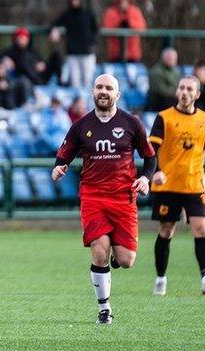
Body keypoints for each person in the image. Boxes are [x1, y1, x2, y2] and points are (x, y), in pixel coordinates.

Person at [52, 74, 155, 325]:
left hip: (123, 197)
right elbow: (64, 154)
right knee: (99, 251)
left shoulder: (132, 123)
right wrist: (59, 167)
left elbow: (150, 157)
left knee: (126, 261)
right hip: (93, 196)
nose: (104, 91)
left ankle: (115, 258)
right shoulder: (80, 126)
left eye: (109, 88)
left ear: (117, 94)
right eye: (99, 87)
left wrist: (146, 179)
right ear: (93, 92)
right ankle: (104, 309)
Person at [148, 76, 205, 296]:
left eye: (190, 89)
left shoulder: (203, 119)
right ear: (177, 92)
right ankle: (161, 278)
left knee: (201, 228)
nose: (185, 92)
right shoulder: (164, 117)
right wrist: (157, 171)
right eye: (182, 88)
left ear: (197, 94)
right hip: (168, 184)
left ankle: (203, 278)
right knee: (167, 230)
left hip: (193, 183)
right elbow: (151, 149)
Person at [50, 0, 98, 88]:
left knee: (88, 81)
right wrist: (54, 30)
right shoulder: (68, 14)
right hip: (72, 52)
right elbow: (54, 23)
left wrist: (90, 41)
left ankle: (88, 101)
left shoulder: (88, 13)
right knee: (75, 82)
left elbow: (96, 29)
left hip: (87, 52)